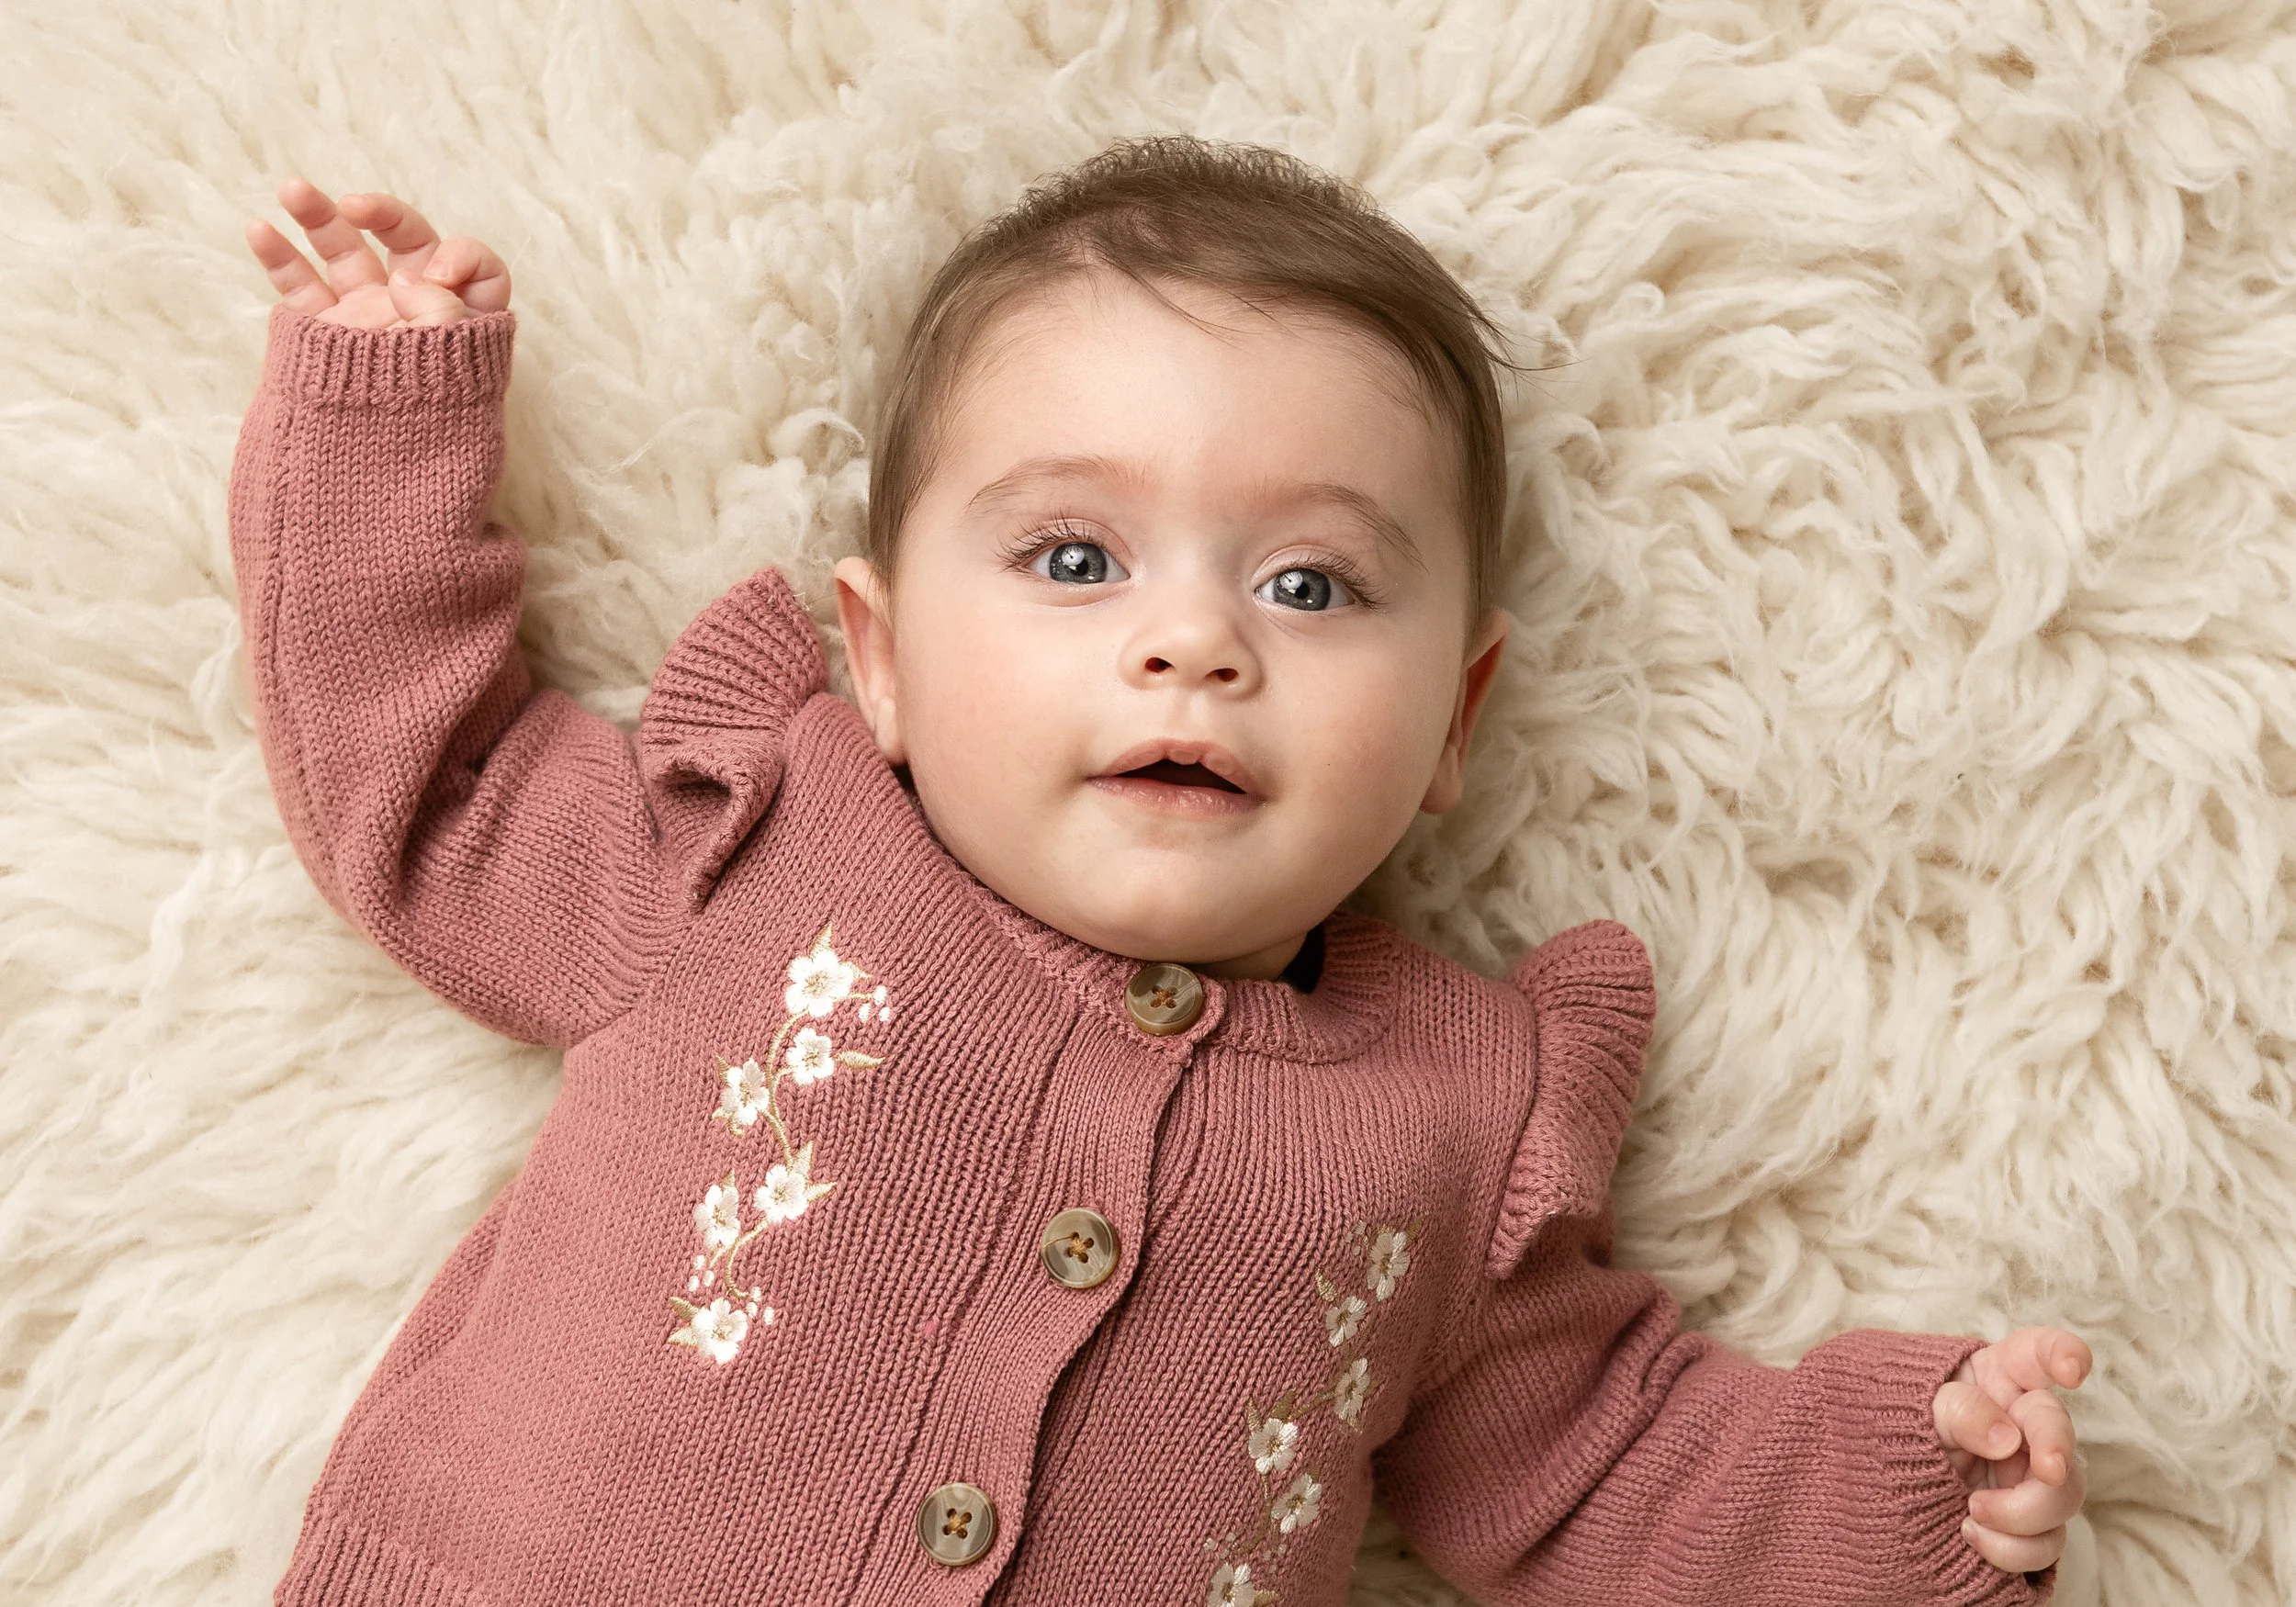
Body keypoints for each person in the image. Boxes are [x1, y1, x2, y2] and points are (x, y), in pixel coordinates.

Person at [233, 136, 2089, 1607]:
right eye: (1069, 557)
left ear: (1455, 719)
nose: (1191, 639)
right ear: (874, 656)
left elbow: (1589, 1455)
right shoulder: (755, 859)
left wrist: (1908, 1488)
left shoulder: (1444, 1124)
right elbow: (432, 781)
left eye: (1309, 584)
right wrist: (386, 413)